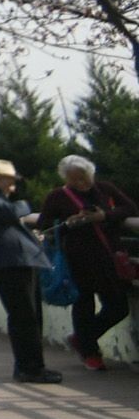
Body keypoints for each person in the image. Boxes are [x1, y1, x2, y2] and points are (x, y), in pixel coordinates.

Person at [0, 159, 65, 384]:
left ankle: (28, 366)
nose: (12, 187)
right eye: (10, 182)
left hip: (13, 262)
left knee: (27, 316)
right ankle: (31, 368)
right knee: (25, 317)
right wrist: (25, 205)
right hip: (11, 264)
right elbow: (10, 213)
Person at [39, 155, 134, 369]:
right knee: (83, 305)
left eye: (84, 178)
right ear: (66, 179)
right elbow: (44, 226)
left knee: (119, 307)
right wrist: (68, 223)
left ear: (91, 174)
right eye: (75, 180)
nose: (81, 184)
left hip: (108, 258)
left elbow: (129, 209)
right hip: (77, 261)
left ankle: (82, 339)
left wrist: (104, 216)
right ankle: (91, 353)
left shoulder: (104, 189)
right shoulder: (57, 196)